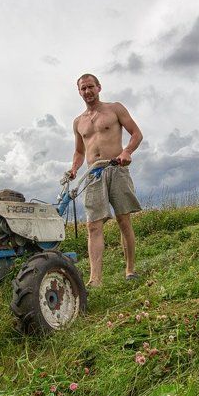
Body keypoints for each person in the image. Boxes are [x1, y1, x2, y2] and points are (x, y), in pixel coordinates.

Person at [67, 73, 143, 287]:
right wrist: (74, 168)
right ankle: (95, 279)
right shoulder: (78, 122)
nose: (87, 91)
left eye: (90, 86)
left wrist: (127, 151)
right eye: (83, 88)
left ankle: (130, 270)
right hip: (93, 173)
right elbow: (79, 152)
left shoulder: (115, 109)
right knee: (93, 225)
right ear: (79, 92)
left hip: (116, 167)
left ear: (99, 87)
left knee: (123, 219)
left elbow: (136, 133)